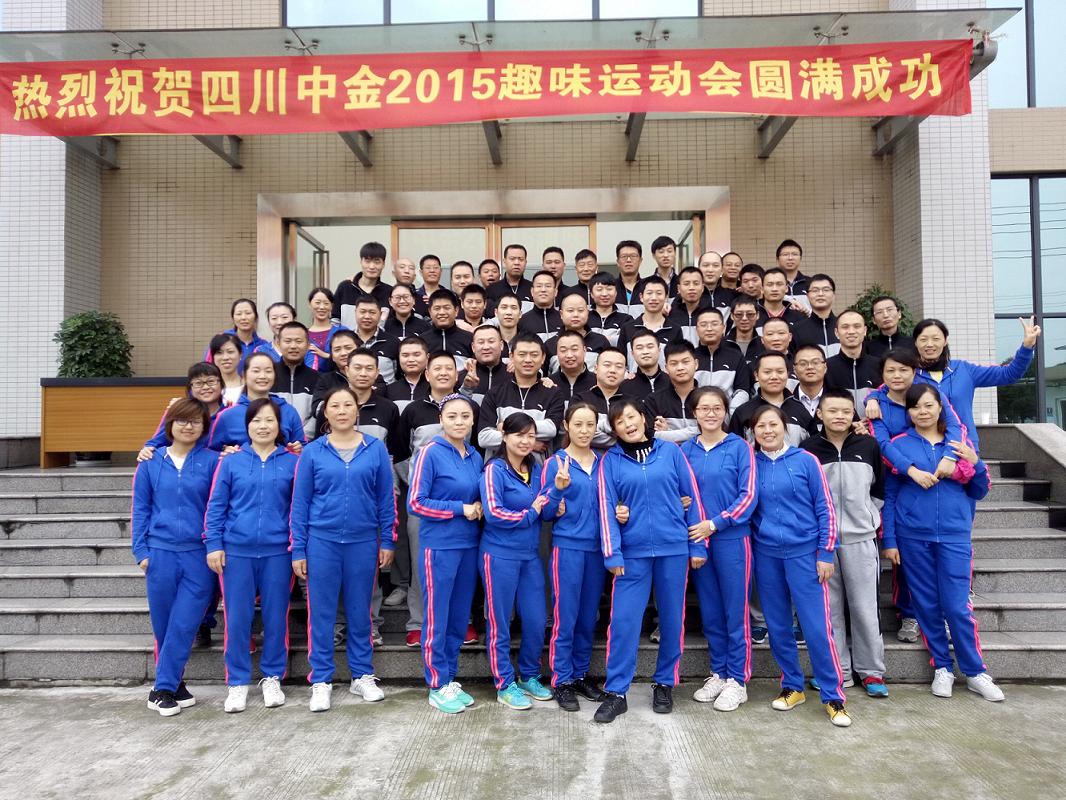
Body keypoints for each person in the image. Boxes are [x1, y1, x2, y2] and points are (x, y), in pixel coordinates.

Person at [881, 384, 1002, 702]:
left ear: (940, 408)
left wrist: (976, 463)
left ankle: (975, 671)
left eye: (928, 405)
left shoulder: (958, 445)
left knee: (957, 607)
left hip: (953, 535)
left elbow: (979, 490)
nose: (922, 412)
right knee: (926, 605)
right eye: (915, 407)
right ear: (908, 412)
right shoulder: (899, 445)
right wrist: (890, 539)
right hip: (912, 536)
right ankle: (942, 667)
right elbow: (890, 496)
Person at [593, 399, 708, 723]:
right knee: (624, 622)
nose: (628, 424)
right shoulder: (611, 461)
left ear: (643, 418)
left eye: (632, 417)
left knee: (672, 619)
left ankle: (665, 683)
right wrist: (612, 552)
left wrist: (698, 546)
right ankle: (617, 692)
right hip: (633, 553)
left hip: (673, 549)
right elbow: (606, 508)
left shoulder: (670, 452)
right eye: (620, 421)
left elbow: (692, 497)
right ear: (614, 430)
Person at [290, 386, 397, 712]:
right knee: (321, 613)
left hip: (363, 542)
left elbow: (385, 498)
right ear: (325, 412)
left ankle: (362, 675)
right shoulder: (313, 452)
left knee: (360, 611)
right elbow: (300, 503)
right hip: (322, 541)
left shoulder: (374, 449)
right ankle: (321, 679)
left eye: (347, 405)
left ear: (356, 410)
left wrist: (388, 539)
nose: (341, 411)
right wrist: (298, 549)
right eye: (334, 406)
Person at [748, 404, 851, 728]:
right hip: (767, 555)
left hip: (804, 554)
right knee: (778, 625)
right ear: (754, 432)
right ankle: (792, 686)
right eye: (761, 427)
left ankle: (833, 696)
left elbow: (825, 508)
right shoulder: (751, 464)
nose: (767, 431)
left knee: (816, 627)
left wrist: (825, 552)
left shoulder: (806, 461)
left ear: (785, 428)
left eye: (773, 425)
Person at [865, 348, 966, 644]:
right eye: (891, 370)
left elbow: (955, 426)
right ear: (882, 375)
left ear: (915, 371)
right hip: (900, 478)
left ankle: (946, 615)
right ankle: (908, 614)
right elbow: (883, 444)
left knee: (944, 561)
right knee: (906, 560)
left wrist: (950, 457)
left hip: (940, 476)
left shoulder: (930, 394)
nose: (897, 376)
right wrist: (910, 470)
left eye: (904, 370)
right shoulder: (877, 403)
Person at [203, 398, 298, 713]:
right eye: (257, 420)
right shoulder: (231, 462)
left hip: (278, 552)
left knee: (276, 616)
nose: (263, 426)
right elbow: (216, 506)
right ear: (247, 426)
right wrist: (213, 544)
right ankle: (237, 681)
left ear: (279, 426)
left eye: (269, 420)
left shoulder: (293, 462)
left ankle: (272, 677)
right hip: (236, 552)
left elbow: (298, 509)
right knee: (237, 618)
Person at [131, 399, 220, 716]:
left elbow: (217, 507)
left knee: (184, 623)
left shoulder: (213, 462)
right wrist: (141, 551)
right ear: (170, 424)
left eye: (196, 421)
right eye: (182, 419)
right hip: (160, 554)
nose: (188, 426)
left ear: (204, 427)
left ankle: (161, 689)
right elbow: (141, 509)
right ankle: (176, 684)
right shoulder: (151, 462)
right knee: (164, 625)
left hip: (198, 556)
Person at [802, 390, 888, 698]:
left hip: (860, 540)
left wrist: (865, 518)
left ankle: (872, 671)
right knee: (829, 609)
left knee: (865, 607)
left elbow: (879, 492)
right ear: (819, 414)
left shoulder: (868, 445)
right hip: (823, 543)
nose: (839, 416)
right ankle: (838, 671)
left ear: (854, 414)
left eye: (845, 411)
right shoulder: (808, 449)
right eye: (832, 410)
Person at [407, 394, 485, 714]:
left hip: (469, 545)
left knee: (458, 617)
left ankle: (450, 678)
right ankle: (436, 683)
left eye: (465, 416)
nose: (459, 422)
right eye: (452, 416)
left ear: (473, 420)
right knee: (437, 616)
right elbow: (416, 502)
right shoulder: (430, 452)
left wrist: (479, 506)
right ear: (441, 419)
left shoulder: (474, 456)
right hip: (439, 546)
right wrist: (460, 508)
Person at [681, 386, 757, 712]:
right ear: (694, 413)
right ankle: (720, 672)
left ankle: (738, 680)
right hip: (699, 541)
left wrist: (715, 523)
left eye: (716, 408)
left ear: (725, 412)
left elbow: (749, 495)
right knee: (711, 611)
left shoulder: (739, 447)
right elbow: (678, 491)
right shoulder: (686, 450)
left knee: (734, 611)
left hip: (731, 539)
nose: (710, 413)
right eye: (704, 408)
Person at [480, 412, 560, 710]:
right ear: (504, 436)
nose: (526, 441)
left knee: (537, 620)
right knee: (500, 621)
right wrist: (531, 513)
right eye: (519, 435)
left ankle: (529, 675)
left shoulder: (536, 467)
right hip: (499, 555)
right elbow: (493, 513)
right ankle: (504, 683)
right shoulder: (494, 470)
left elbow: (547, 511)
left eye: (531, 435)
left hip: (529, 556)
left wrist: (557, 492)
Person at [540, 403, 608, 711]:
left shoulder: (604, 462)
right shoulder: (555, 463)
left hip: (597, 550)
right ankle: (562, 679)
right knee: (565, 615)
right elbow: (546, 513)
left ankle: (580, 674)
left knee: (588, 616)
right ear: (566, 426)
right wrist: (557, 491)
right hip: (567, 547)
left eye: (589, 424)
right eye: (578, 424)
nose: (584, 430)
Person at [907, 316, 1039, 453]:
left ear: (945, 341)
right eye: (923, 339)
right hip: (924, 448)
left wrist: (1027, 347)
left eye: (936, 339)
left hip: (965, 447)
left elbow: (1009, 374)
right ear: (915, 342)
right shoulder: (909, 375)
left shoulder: (963, 369)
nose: (929, 344)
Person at [477, 333, 564, 462]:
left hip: (538, 470)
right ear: (511, 357)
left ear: (543, 358)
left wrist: (506, 428)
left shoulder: (553, 393)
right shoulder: (495, 393)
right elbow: (484, 438)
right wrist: (530, 443)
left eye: (534, 355)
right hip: (500, 469)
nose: (528, 360)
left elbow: (550, 429)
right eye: (522, 354)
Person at [208, 352, 306, 452]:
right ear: (244, 376)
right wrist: (223, 451)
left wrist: (299, 449)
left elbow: (303, 446)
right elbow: (212, 451)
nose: (262, 376)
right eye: (256, 371)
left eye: (268, 371)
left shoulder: (288, 411)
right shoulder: (227, 415)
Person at [730, 351, 817, 447]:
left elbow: (813, 448)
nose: (774, 377)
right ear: (756, 375)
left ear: (787, 374)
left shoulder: (800, 410)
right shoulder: (743, 413)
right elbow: (734, 449)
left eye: (780, 372)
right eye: (767, 372)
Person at [140, 362, 224, 457]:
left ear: (221, 384)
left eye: (211, 381)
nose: (205, 387)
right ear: (190, 388)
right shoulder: (181, 411)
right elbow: (158, 441)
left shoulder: (229, 414)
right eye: (198, 383)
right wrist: (147, 450)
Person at [693, 308, 753, 411]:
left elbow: (742, 391)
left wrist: (730, 413)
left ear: (723, 328)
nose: (709, 329)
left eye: (714, 324)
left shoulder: (736, 356)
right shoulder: (690, 357)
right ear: (696, 329)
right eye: (703, 325)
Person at [825, 310, 880, 416]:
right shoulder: (826, 367)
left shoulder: (879, 365)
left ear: (865, 331)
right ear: (836, 333)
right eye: (845, 327)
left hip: (874, 425)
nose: (851, 331)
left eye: (857, 326)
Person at [647, 341, 702, 443]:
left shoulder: (707, 398)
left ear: (696, 364)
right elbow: (651, 436)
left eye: (685, 362)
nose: (680, 368)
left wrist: (668, 432)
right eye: (674, 364)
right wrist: (697, 430)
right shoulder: (654, 400)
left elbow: (714, 430)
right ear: (666, 368)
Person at [271, 321, 319, 438]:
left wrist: (302, 438)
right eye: (288, 341)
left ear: (308, 344)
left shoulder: (318, 378)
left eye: (299, 341)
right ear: (278, 343)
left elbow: (318, 415)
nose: (293, 346)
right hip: (272, 442)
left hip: (306, 442)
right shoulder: (268, 375)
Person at [543, 292, 610, 375]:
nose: (575, 315)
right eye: (570, 310)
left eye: (580, 310)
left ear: (587, 313)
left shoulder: (601, 341)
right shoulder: (549, 344)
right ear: (561, 314)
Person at [579, 347, 630, 451]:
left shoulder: (632, 402)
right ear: (596, 368)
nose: (612, 370)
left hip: (625, 458)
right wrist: (622, 439)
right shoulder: (580, 400)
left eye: (619, 367)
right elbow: (581, 432)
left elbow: (638, 432)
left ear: (625, 372)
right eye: (607, 365)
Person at [332, 241, 393, 329]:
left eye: (377, 262)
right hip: (347, 337)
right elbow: (334, 320)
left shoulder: (389, 292)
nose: (371, 266)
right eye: (367, 261)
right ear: (361, 261)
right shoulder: (345, 287)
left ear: (383, 264)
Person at [618, 276, 681, 359]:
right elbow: (620, 359)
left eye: (659, 293)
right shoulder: (627, 328)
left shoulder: (675, 330)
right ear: (641, 297)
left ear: (666, 297)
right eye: (649, 293)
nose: (654, 298)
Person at [204, 298, 268, 369]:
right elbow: (207, 368)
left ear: (256, 317)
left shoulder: (263, 345)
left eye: (248, 313)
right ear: (233, 318)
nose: (243, 317)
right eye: (238, 314)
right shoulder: (220, 340)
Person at [349, 296, 400, 384]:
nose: (367, 316)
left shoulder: (393, 342)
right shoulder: (347, 340)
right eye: (362, 312)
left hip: (386, 391)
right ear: (355, 313)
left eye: (372, 312)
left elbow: (399, 374)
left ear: (380, 314)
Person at [419, 289, 474, 369]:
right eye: (437, 308)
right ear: (430, 312)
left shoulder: (469, 339)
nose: (442, 312)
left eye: (447, 308)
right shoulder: (421, 341)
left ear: (456, 311)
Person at [793, 274, 839, 357]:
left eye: (826, 290)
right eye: (815, 290)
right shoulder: (797, 330)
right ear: (807, 296)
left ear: (834, 295)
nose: (820, 294)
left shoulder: (843, 327)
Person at [548, 329, 597, 405]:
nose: (569, 355)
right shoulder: (549, 383)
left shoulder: (597, 382)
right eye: (563, 350)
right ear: (557, 353)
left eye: (574, 349)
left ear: (584, 350)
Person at [666, 266, 711, 344]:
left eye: (696, 283)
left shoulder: (710, 314)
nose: (691, 288)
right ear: (679, 288)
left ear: (703, 288)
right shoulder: (668, 314)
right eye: (686, 284)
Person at [620, 329, 668, 400]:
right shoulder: (625, 387)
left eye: (650, 347)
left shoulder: (672, 383)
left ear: (659, 350)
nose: (645, 352)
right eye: (639, 348)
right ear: (632, 354)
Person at [589, 271, 632, 346]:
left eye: (609, 289)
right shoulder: (584, 319)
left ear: (616, 293)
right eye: (599, 289)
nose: (605, 294)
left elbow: (627, 343)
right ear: (592, 294)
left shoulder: (626, 319)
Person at [487, 244, 534, 313]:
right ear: (504, 261)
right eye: (512, 259)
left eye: (521, 259)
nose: (516, 263)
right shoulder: (492, 289)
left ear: (525, 262)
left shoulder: (533, 288)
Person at [517, 270, 562, 340]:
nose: (543, 290)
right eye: (539, 286)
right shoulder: (522, 321)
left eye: (548, 286)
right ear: (532, 291)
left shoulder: (563, 319)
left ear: (555, 292)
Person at [306, 287, 346, 366]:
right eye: (317, 303)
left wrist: (325, 355)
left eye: (326, 303)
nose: (322, 307)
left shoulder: (342, 331)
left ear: (331, 306)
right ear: (310, 304)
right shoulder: (303, 334)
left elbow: (351, 357)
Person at [208, 334, 244, 405]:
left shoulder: (249, 386)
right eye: (219, 353)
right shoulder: (206, 387)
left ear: (240, 354)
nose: (225, 357)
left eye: (230, 352)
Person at [613, 240, 645, 317]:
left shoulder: (647, 287)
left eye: (633, 256)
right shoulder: (610, 288)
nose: (628, 260)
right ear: (617, 262)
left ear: (640, 261)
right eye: (624, 256)